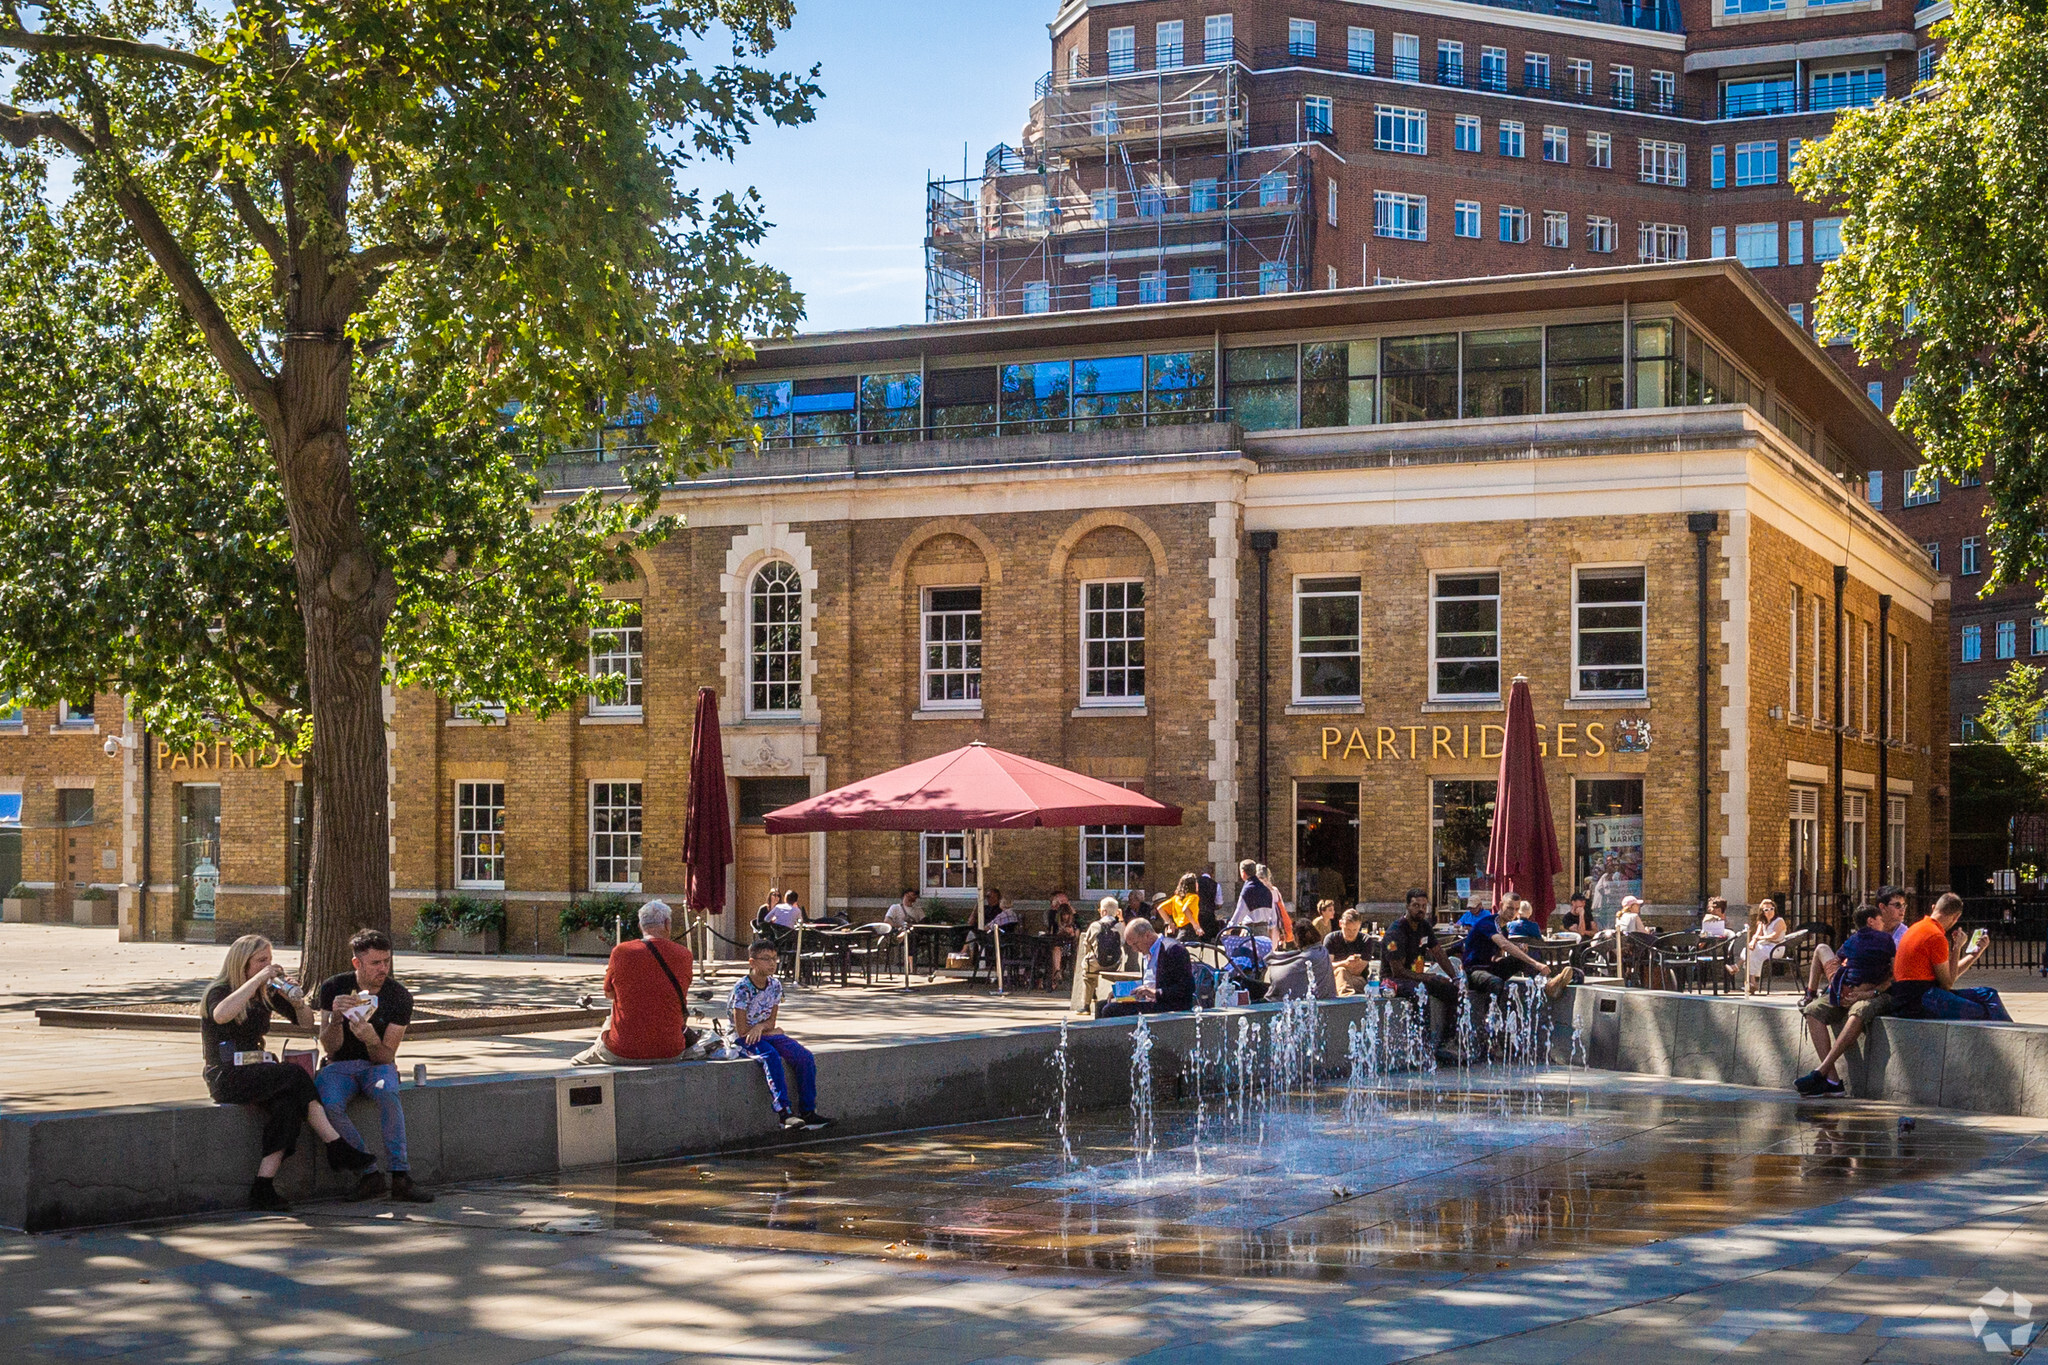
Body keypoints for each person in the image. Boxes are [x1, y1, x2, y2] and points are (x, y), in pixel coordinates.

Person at [205, 935, 376, 1211]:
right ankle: (336, 1146)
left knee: (287, 1107)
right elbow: (222, 1015)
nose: (269, 966)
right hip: (227, 1075)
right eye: (261, 961)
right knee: (295, 1074)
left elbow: (306, 1023)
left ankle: (263, 1187)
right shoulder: (220, 991)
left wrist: (296, 1002)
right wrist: (257, 980)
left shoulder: (265, 994)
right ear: (242, 963)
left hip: (258, 1071)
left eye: (270, 960)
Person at [315, 928, 434, 1203]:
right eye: (375, 963)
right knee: (328, 1103)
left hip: (376, 1065)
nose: (383, 969)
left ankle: (400, 1174)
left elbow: (386, 1056)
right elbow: (329, 1048)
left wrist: (370, 1039)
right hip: (340, 1064)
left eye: (387, 962)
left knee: (388, 1092)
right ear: (357, 963)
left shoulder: (398, 996)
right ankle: (368, 1173)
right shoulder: (334, 987)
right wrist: (335, 1018)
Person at [573, 899, 696, 1067]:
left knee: (576, 1062)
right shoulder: (684, 955)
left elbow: (609, 993)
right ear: (667, 924)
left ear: (640, 926)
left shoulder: (621, 951)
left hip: (622, 1051)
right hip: (671, 1050)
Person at [728, 941, 834, 1130]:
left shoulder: (775, 985)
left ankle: (808, 1111)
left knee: (804, 1057)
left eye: (774, 959)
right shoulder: (742, 988)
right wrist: (763, 1029)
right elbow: (742, 1029)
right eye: (766, 959)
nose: (772, 963)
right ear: (752, 962)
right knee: (771, 1056)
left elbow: (771, 1021)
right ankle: (784, 1112)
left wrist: (761, 1027)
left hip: (763, 1032)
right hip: (744, 1038)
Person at [1795, 904, 1897, 1097]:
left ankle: (1822, 1071)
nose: (1883, 923)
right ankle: (1832, 1080)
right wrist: (1842, 990)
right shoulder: (1882, 939)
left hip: (1873, 993)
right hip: (1849, 991)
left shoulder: (1859, 941)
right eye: (1880, 920)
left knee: (1858, 1012)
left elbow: (1894, 976)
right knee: (1812, 1011)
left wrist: (1863, 993)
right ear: (1871, 921)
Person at [1892, 892, 2010, 1021]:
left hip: (1911, 995)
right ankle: (2011, 1036)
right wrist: (1957, 948)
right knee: (1983, 1011)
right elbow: (1947, 984)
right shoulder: (1936, 936)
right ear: (1956, 917)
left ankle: (2011, 1033)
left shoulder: (1917, 927)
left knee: (1988, 994)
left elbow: (1948, 974)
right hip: (1920, 999)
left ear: (1933, 908)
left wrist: (1975, 953)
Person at [1461, 899, 1572, 1025]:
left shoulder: (1503, 928)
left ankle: (1548, 985)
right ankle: (1488, 1023)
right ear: (1501, 905)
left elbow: (1497, 956)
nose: (1512, 912)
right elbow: (1504, 944)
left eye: (1515, 909)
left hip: (1489, 968)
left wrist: (1517, 948)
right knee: (1496, 982)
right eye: (1509, 908)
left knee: (1518, 959)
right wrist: (1535, 963)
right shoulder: (1488, 923)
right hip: (1472, 972)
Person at [1381, 889, 1461, 1056]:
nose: (1421, 909)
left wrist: (1455, 977)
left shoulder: (1424, 926)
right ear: (1407, 906)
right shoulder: (1395, 932)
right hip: (1392, 981)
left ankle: (1447, 1042)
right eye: (1416, 905)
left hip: (1417, 977)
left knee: (1453, 991)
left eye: (1424, 906)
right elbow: (1398, 971)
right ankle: (1421, 1047)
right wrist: (1429, 977)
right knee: (1420, 992)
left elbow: (1438, 952)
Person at [1097, 918, 1196, 1017]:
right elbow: (1148, 982)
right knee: (1101, 1005)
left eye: (1135, 944)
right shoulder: (1145, 952)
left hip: (1168, 1004)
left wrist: (1155, 993)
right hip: (1149, 1001)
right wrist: (1122, 993)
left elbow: (1187, 988)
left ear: (1147, 935)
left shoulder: (1173, 949)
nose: (1134, 950)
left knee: (1110, 1010)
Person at [1071, 896, 1124, 1015]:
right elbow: (1124, 942)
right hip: (1114, 965)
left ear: (1103, 911)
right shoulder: (1120, 926)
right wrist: (1120, 918)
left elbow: (1087, 945)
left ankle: (1086, 1005)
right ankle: (1095, 993)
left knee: (1087, 975)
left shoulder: (1095, 925)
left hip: (1096, 964)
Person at [1324, 908, 1374, 992]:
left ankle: (1346, 998)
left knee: (1342, 972)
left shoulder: (1366, 940)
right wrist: (1345, 963)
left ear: (1359, 926)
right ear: (1341, 924)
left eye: (1355, 930)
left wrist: (1338, 966)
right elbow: (1326, 967)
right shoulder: (1331, 939)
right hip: (1334, 979)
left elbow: (1357, 971)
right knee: (1341, 972)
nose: (1351, 933)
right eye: (1348, 929)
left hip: (1357, 979)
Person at [1744, 899, 1787, 993]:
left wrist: (1759, 938)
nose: (1770, 911)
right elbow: (1756, 934)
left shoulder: (1779, 921)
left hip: (1776, 948)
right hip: (1766, 946)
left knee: (1754, 951)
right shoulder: (1762, 922)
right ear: (1762, 912)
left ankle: (1739, 967)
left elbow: (1774, 936)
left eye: (1772, 908)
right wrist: (1753, 942)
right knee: (1750, 949)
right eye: (1766, 910)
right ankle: (1752, 982)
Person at [1229, 859, 1276, 936]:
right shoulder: (1266, 890)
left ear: (1243, 873)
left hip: (1251, 931)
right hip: (1264, 932)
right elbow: (1273, 916)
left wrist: (1228, 929)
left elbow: (1239, 913)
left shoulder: (1247, 890)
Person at [1045, 898, 1080, 988]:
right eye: (1063, 914)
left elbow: (1076, 937)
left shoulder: (1074, 924)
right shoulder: (1056, 924)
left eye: (1067, 914)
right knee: (1055, 950)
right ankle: (1057, 972)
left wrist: (1071, 933)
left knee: (1056, 951)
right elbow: (1051, 930)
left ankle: (1056, 974)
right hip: (1057, 946)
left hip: (1069, 947)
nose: (1065, 917)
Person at [1158, 874, 1203, 940]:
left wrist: (1170, 923)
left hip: (1180, 930)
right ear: (1193, 885)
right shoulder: (1193, 897)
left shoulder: (1176, 898)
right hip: (1190, 930)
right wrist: (1196, 926)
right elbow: (1185, 909)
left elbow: (1160, 908)